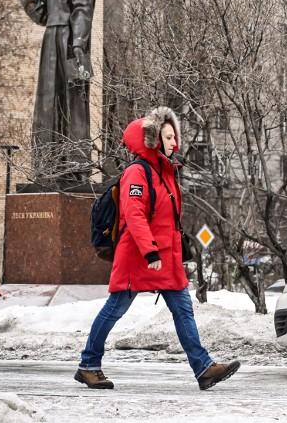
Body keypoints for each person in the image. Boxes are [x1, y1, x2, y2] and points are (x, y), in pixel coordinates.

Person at [75, 107, 240, 390]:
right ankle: (88, 364)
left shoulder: (166, 173)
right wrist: (150, 252)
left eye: (175, 137)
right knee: (115, 309)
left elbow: (167, 220)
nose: (175, 142)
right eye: (168, 137)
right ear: (153, 140)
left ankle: (204, 368)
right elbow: (134, 215)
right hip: (138, 257)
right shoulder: (137, 173)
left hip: (165, 258)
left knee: (183, 310)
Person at [0, 0, 94, 180]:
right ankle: (47, 167)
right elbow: (41, 13)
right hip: (51, 40)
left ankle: (73, 168)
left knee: (71, 100)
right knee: (47, 102)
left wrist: (78, 45)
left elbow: (83, 9)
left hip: (68, 41)